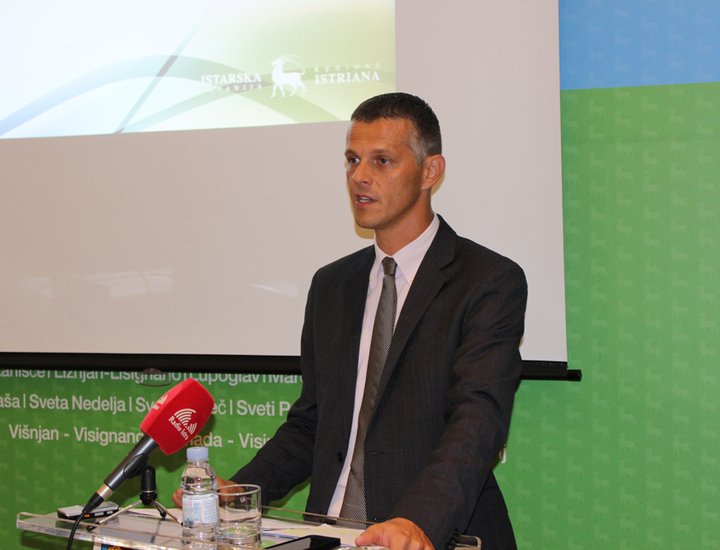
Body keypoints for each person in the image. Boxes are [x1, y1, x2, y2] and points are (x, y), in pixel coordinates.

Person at [174, 92, 527, 549]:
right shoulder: (332, 285)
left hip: (431, 534)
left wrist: (416, 521)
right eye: (352, 160)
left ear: (430, 171)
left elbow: (476, 422)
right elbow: (313, 425)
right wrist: (238, 494)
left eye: (382, 161)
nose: (359, 176)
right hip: (328, 533)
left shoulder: (486, 281)